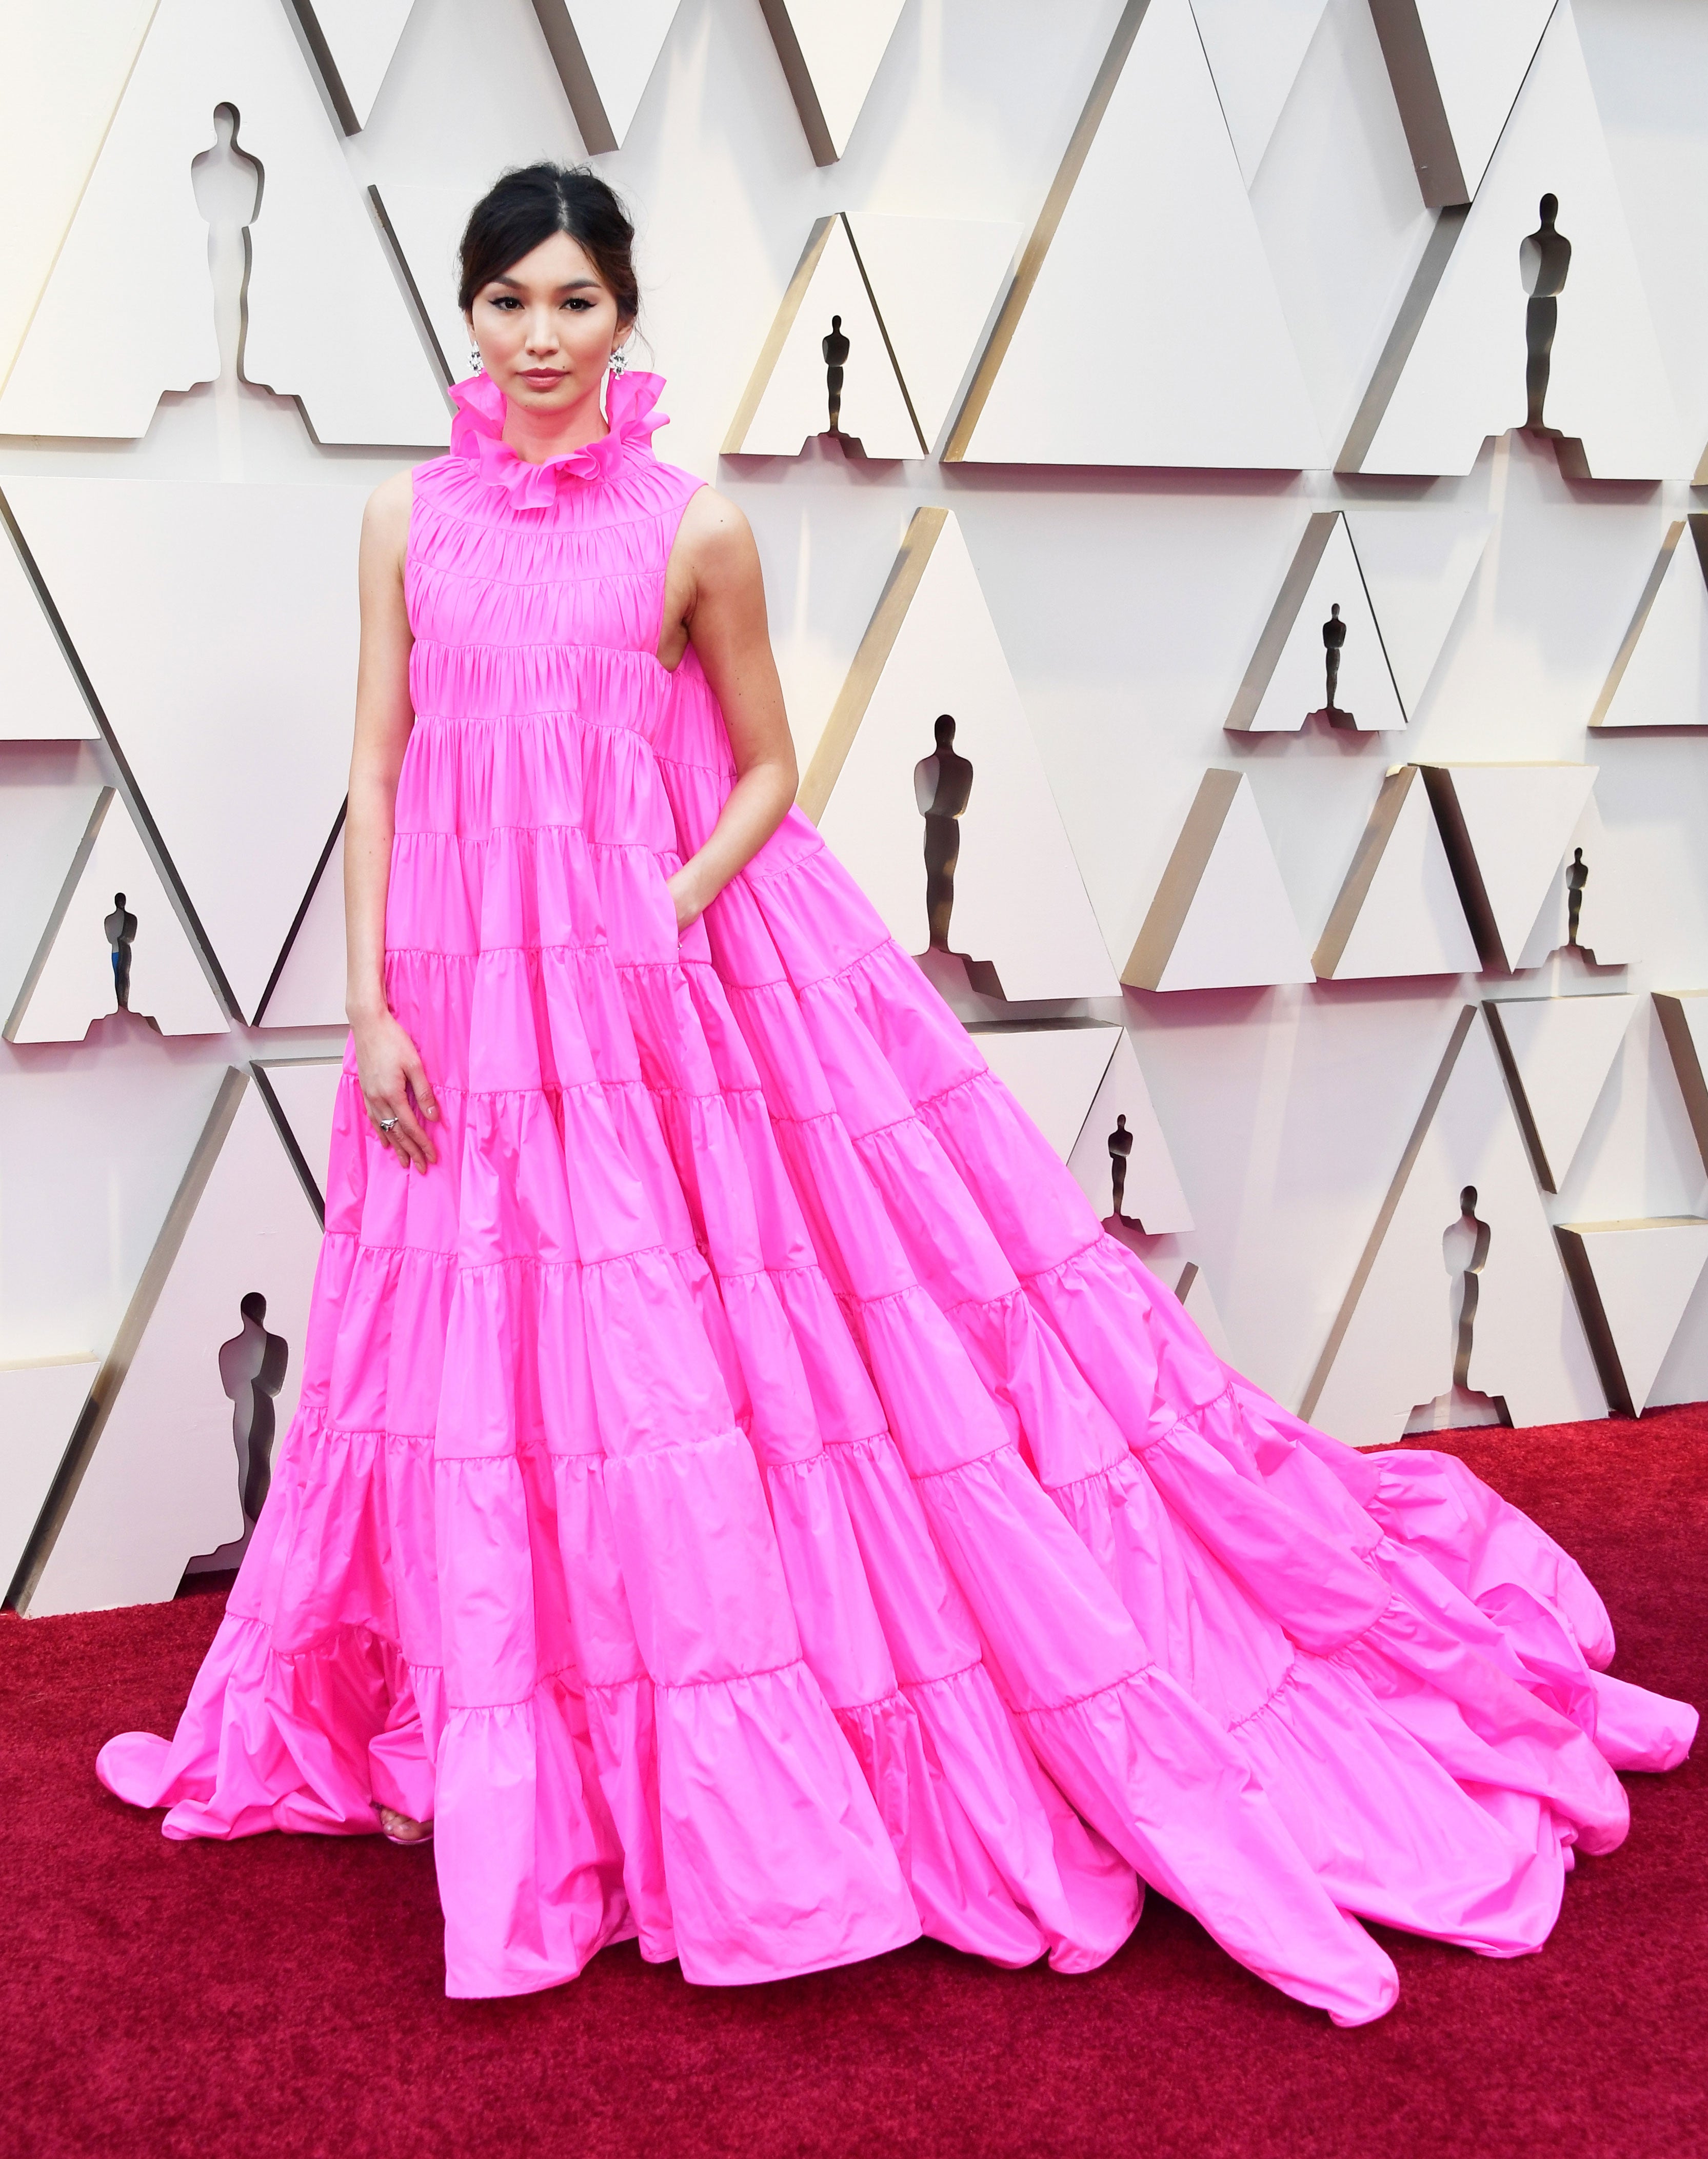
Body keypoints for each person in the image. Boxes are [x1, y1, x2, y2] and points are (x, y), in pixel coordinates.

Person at [96, 164, 1696, 2025]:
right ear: (466, 315)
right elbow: (382, 757)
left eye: (576, 305)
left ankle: (646, 1769)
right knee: (473, 1354)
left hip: (633, 996)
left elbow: (767, 768)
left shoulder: (693, 530)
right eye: (508, 303)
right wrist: (366, 1004)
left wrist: (659, 909)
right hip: (455, 996)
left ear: (627, 324)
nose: (539, 341)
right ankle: (481, 1732)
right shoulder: (399, 519)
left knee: (655, 1375)